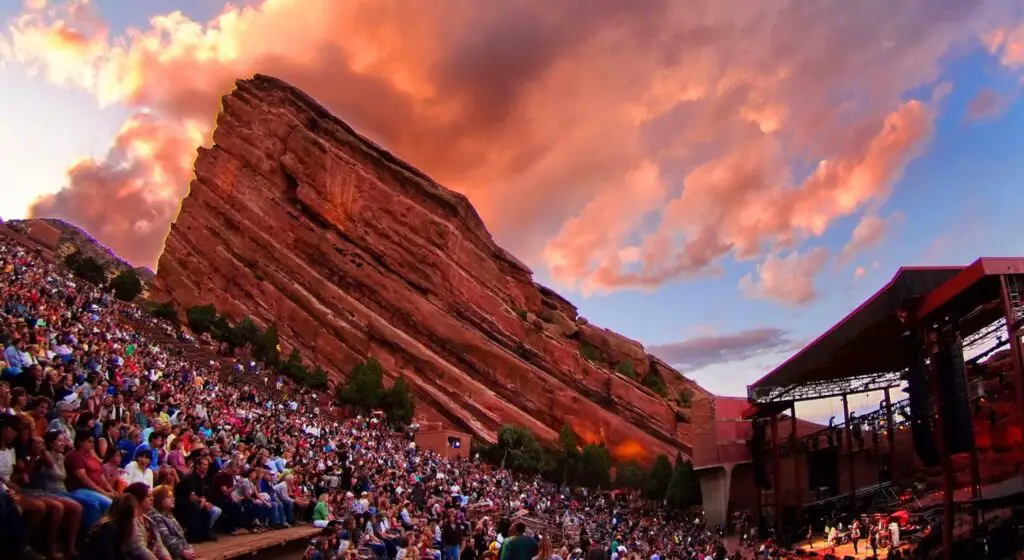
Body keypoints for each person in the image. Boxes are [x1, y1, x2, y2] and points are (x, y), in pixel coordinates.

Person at [149, 484, 196, 560]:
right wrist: (182, 552)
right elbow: (166, 539)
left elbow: (181, 536)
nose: (173, 499)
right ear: (159, 499)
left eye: (172, 496)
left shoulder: (168, 515)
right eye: (169, 497)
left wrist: (188, 548)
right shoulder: (155, 516)